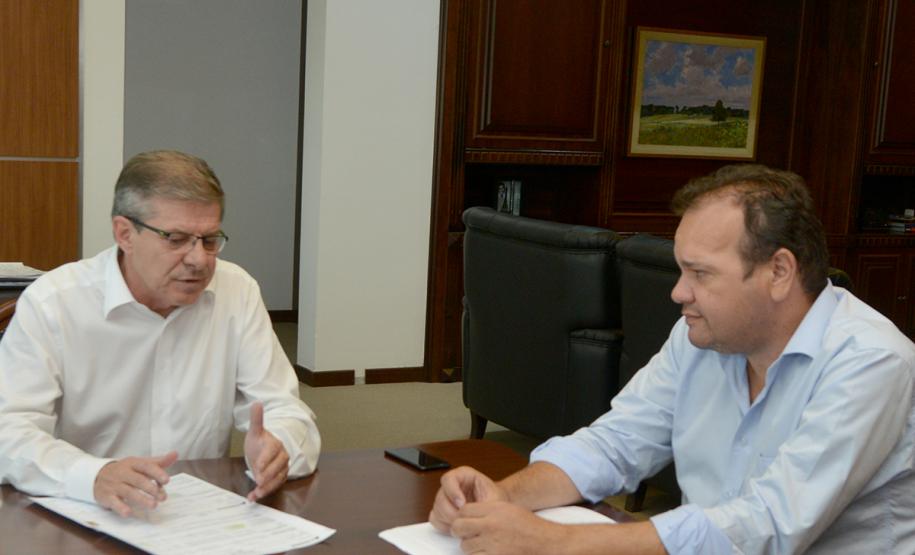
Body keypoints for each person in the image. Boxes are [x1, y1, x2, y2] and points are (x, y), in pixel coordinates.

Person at [430, 164, 915, 554]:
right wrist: (501, 498)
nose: (679, 292)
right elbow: (615, 443)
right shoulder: (704, 336)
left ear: (779, 271)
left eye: (701, 273)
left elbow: (769, 527)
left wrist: (554, 542)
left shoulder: (871, 361)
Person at [0, 150, 320, 517]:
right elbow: (9, 433)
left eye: (210, 239)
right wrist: (93, 475)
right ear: (125, 234)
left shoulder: (237, 291)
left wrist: (279, 446)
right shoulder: (54, 303)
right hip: (84, 512)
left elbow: (284, 409)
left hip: (199, 516)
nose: (199, 259)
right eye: (176, 238)